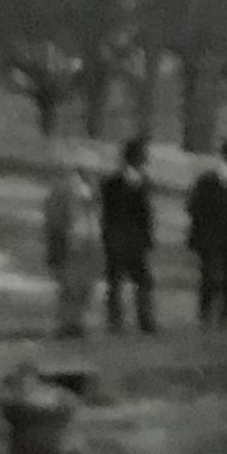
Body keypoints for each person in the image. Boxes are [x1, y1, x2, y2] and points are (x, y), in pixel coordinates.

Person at [187, 138, 227, 330]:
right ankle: (205, 314)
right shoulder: (208, 180)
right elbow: (194, 206)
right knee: (210, 276)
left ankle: (224, 313)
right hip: (211, 236)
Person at [97, 137, 160, 333]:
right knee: (116, 281)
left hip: (136, 240)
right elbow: (108, 214)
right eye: (142, 156)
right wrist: (109, 236)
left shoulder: (143, 182)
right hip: (118, 238)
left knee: (143, 281)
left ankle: (144, 319)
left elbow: (146, 215)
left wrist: (148, 237)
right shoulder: (112, 183)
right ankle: (116, 321)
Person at [42, 160, 100, 341]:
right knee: (70, 286)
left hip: (89, 241)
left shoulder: (93, 191)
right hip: (72, 244)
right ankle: (67, 323)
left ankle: (76, 322)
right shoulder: (64, 190)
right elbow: (55, 220)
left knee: (84, 286)